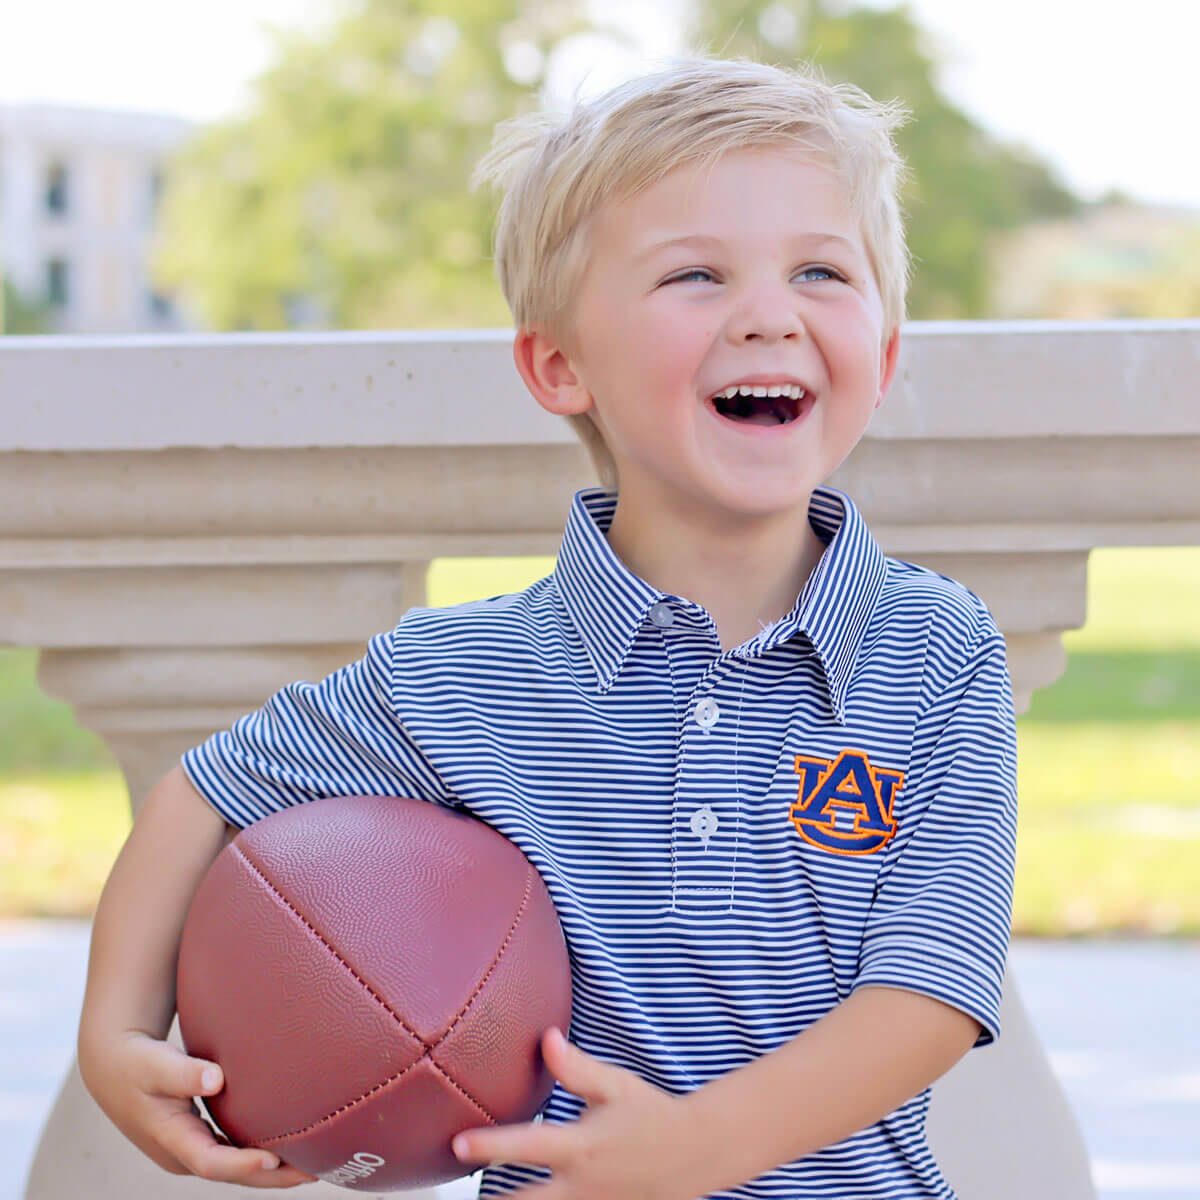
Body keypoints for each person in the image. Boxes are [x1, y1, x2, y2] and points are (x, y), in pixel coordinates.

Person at [77, 55, 1018, 1198]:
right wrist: (115, 1036)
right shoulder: (457, 675)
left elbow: (931, 992)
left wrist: (692, 1151)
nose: (769, 315)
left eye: (821, 271)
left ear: (884, 350)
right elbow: (206, 791)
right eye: (697, 277)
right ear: (559, 365)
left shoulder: (935, 651)